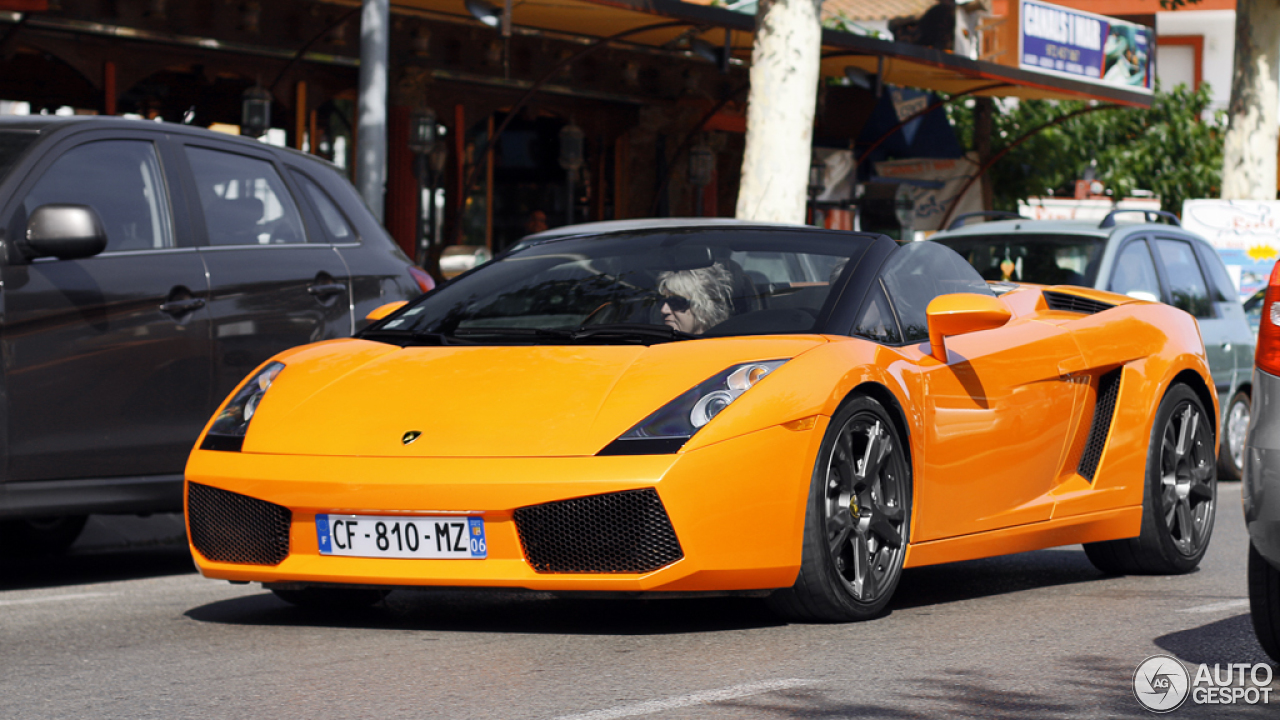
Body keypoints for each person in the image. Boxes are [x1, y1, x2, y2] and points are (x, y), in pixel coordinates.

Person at [656, 263, 734, 334]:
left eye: (676, 302)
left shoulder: (725, 347)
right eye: (661, 301)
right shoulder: (654, 345)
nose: (664, 310)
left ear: (706, 308)